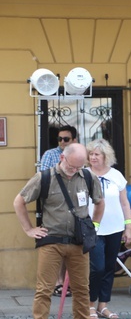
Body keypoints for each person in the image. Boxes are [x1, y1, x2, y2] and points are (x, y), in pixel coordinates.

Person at [14, 143, 105, 319]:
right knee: (44, 290)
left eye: (79, 167)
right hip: (51, 241)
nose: (75, 171)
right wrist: (29, 229)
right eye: (72, 166)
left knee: (82, 289)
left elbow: (100, 202)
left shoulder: (88, 177)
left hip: (78, 242)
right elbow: (19, 201)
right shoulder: (44, 178)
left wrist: (95, 227)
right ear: (62, 158)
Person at [86, 139, 131, 319]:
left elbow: (124, 202)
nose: (93, 157)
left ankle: (103, 305)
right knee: (96, 268)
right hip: (93, 229)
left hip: (115, 227)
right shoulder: (84, 175)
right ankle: (89, 304)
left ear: (106, 156)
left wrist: (128, 227)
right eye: (91, 154)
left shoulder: (116, 175)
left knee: (108, 267)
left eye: (97, 154)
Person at [40, 125, 78, 298]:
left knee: (72, 245)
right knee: (55, 245)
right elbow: (43, 177)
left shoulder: (80, 153)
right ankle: (58, 283)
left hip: (76, 207)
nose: (62, 142)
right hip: (55, 206)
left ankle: (71, 282)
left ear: (74, 140)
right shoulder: (50, 154)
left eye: (66, 139)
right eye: (60, 139)